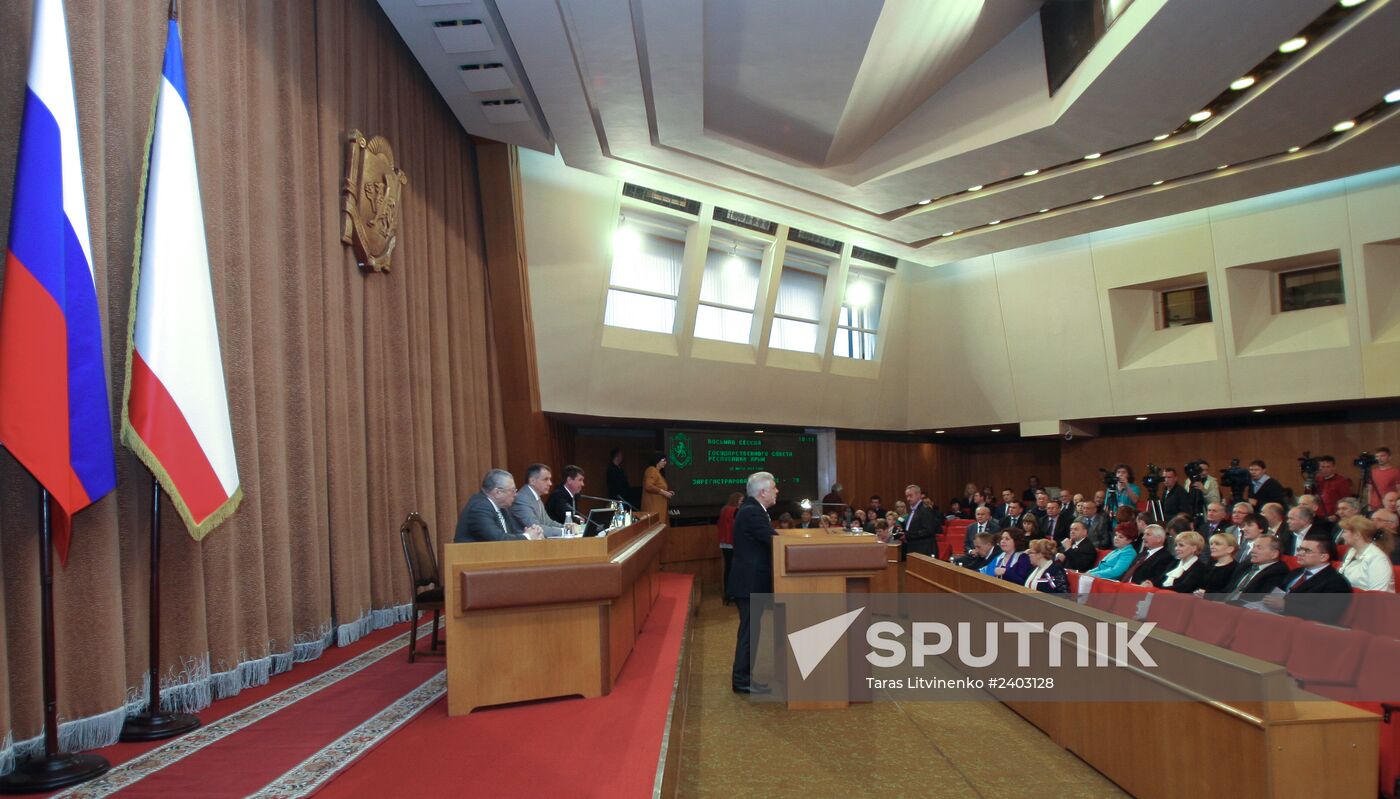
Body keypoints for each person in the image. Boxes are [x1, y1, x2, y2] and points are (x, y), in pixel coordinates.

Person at [729, 472, 779, 695]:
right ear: (763, 492)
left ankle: (744, 677)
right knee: (749, 634)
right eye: (774, 488)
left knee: (751, 632)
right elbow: (774, 540)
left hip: (749, 583)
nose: (777, 491)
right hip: (749, 584)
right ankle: (741, 680)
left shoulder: (753, 510)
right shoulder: (752, 513)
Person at [1262, 535, 1352, 623]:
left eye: (1307, 551)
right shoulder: (1296, 572)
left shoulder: (1336, 583)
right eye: (1300, 549)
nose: (1300, 553)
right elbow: (1278, 593)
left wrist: (1285, 606)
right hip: (1272, 616)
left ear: (1323, 557)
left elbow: (1325, 615)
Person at [454, 469, 543, 542]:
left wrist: (531, 532)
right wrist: (527, 536)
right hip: (473, 559)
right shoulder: (479, 507)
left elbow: (510, 533)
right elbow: (498, 539)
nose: (515, 494)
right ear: (497, 492)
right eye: (512, 490)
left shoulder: (501, 508)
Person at [1222, 534, 1290, 604]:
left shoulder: (1278, 572)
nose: (1252, 551)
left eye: (1259, 548)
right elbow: (1227, 589)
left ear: (1274, 554)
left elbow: (1256, 600)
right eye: (1253, 546)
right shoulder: (1245, 565)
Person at [1336, 515, 1394, 592]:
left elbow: (1378, 595)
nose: (1342, 536)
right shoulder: (1352, 551)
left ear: (1357, 535)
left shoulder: (1378, 559)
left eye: (1345, 532)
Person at [510, 463, 568, 538]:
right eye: (546, 479)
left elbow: (548, 522)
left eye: (550, 479)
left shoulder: (535, 497)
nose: (550, 483)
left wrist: (568, 527)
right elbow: (536, 528)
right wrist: (565, 531)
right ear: (532, 481)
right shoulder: (521, 499)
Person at [717, 492, 741, 605]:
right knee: (734, 569)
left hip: (724, 543)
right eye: (741, 501)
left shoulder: (724, 510)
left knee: (728, 568)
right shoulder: (735, 511)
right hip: (732, 543)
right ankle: (733, 594)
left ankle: (728, 593)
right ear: (736, 500)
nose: (742, 503)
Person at [1313, 455, 1353, 520]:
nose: (1325, 469)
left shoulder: (1341, 481)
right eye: (1322, 467)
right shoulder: (1317, 480)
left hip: (1332, 516)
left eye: (1328, 467)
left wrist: (1337, 515)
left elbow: (1346, 501)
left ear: (1334, 467)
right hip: (1318, 516)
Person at [641, 452, 674, 519]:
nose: (665, 462)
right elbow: (648, 486)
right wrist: (664, 492)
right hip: (653, 511)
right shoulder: (651, 470)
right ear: (657, 460)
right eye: (663, 460)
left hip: (659, 510)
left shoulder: (658, 472)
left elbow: (658, 488)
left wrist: (667, 492)